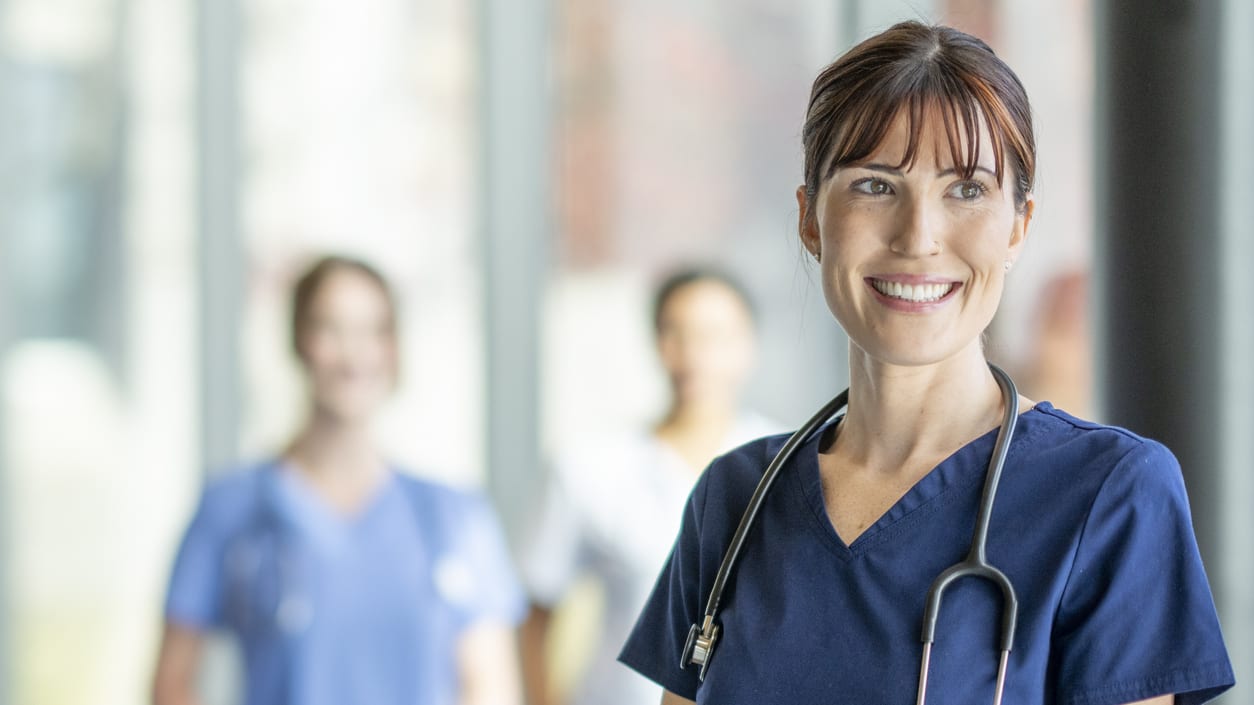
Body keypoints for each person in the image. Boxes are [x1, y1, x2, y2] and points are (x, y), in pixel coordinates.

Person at [618, 22, 1234, 705]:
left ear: (1018, 227)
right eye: (876, 185)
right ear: (810, 221)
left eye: (966, 189)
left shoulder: (1110, 494)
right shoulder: (734, 501)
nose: (918, 237)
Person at [152, 255, 524, 705]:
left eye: (373, 331)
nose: (353, 355)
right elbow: (172, 683)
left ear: (394, 349)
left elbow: (490, 686)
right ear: (298, 341)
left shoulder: (452, 518)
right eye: (331, 329)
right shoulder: (233, 509)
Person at [519, 269, 779, 705]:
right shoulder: (592, 467)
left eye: (714, 336)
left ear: (749, 346)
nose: (695, 355)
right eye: (676, 333)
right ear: (656, 343)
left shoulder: (791, 466)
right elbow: (535, 612)